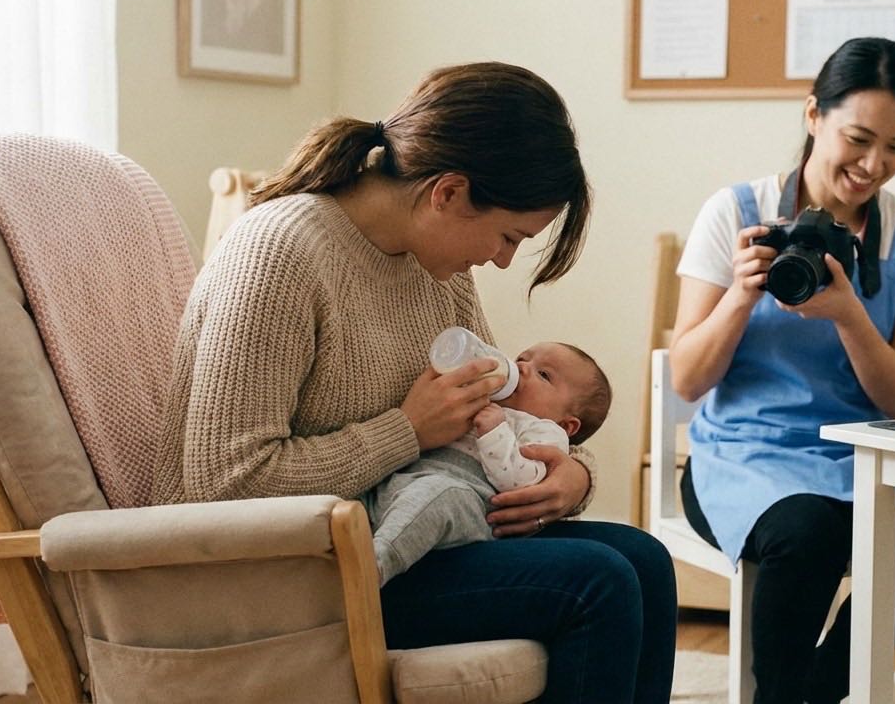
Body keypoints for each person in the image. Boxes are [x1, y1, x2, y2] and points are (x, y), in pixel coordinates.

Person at [150, 62, 675, 703]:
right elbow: (224, 483)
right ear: (448, 192)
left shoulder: (440, 266)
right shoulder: (279, 255)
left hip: (403, 537)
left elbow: (499, 411)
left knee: (645, 561)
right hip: (283, 573)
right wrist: (406, 430)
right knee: (598, 582)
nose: (504, 259)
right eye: (508, 236)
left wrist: (572, 477)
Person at [669, 38, 895, 704]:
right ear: (813, 117)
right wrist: (742, 295)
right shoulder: (735, 213)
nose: (873, 165)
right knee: (808, 533)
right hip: (746, 455)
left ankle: (816, 691)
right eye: (858, 138)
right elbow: (687, 381)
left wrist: (849, 314)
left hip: (867, 454)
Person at [363, 340, 613, 585]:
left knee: (437, 497)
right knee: (367, 501)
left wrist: (496, 433)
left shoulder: (544, 431)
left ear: (566, 425)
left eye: (544, 375)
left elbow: (521, 481)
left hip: (469, 501)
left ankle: (373, 566)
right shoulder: (486, 400)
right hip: (405, 481)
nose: (523, 368)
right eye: (522, 359)